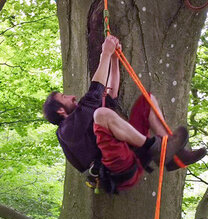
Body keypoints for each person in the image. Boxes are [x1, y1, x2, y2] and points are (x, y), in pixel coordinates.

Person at [43, 35, 206, 193]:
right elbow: (94, 94)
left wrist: (114, 59)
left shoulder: (83, 121)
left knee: (146, 101)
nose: (72, 97)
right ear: (60, 110)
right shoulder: (66, 131)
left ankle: (172, 157)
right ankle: (155, 147)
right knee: (101, 113)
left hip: (128, 154)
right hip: (115, 169)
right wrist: (105, 53)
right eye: (65, 98)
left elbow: (111, 95)